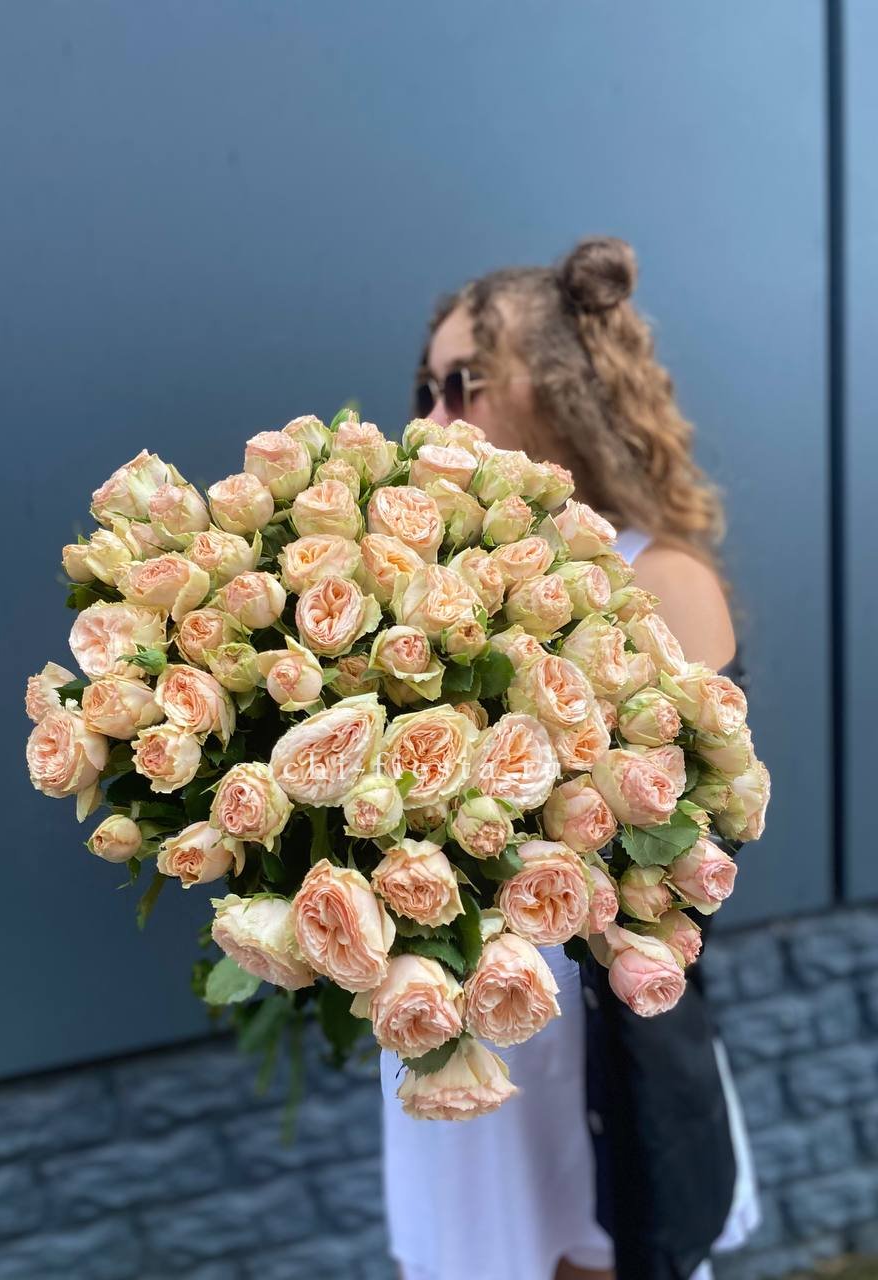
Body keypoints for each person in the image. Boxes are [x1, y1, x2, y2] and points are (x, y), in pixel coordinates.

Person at [379, 237, 760, 1280]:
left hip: (585, 1031)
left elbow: (684, 850)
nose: (432, 418)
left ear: (557, 387)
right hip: (450, 1011)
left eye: (463, 383)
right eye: (425, 389)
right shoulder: (417, 582)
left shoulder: (661, 578)